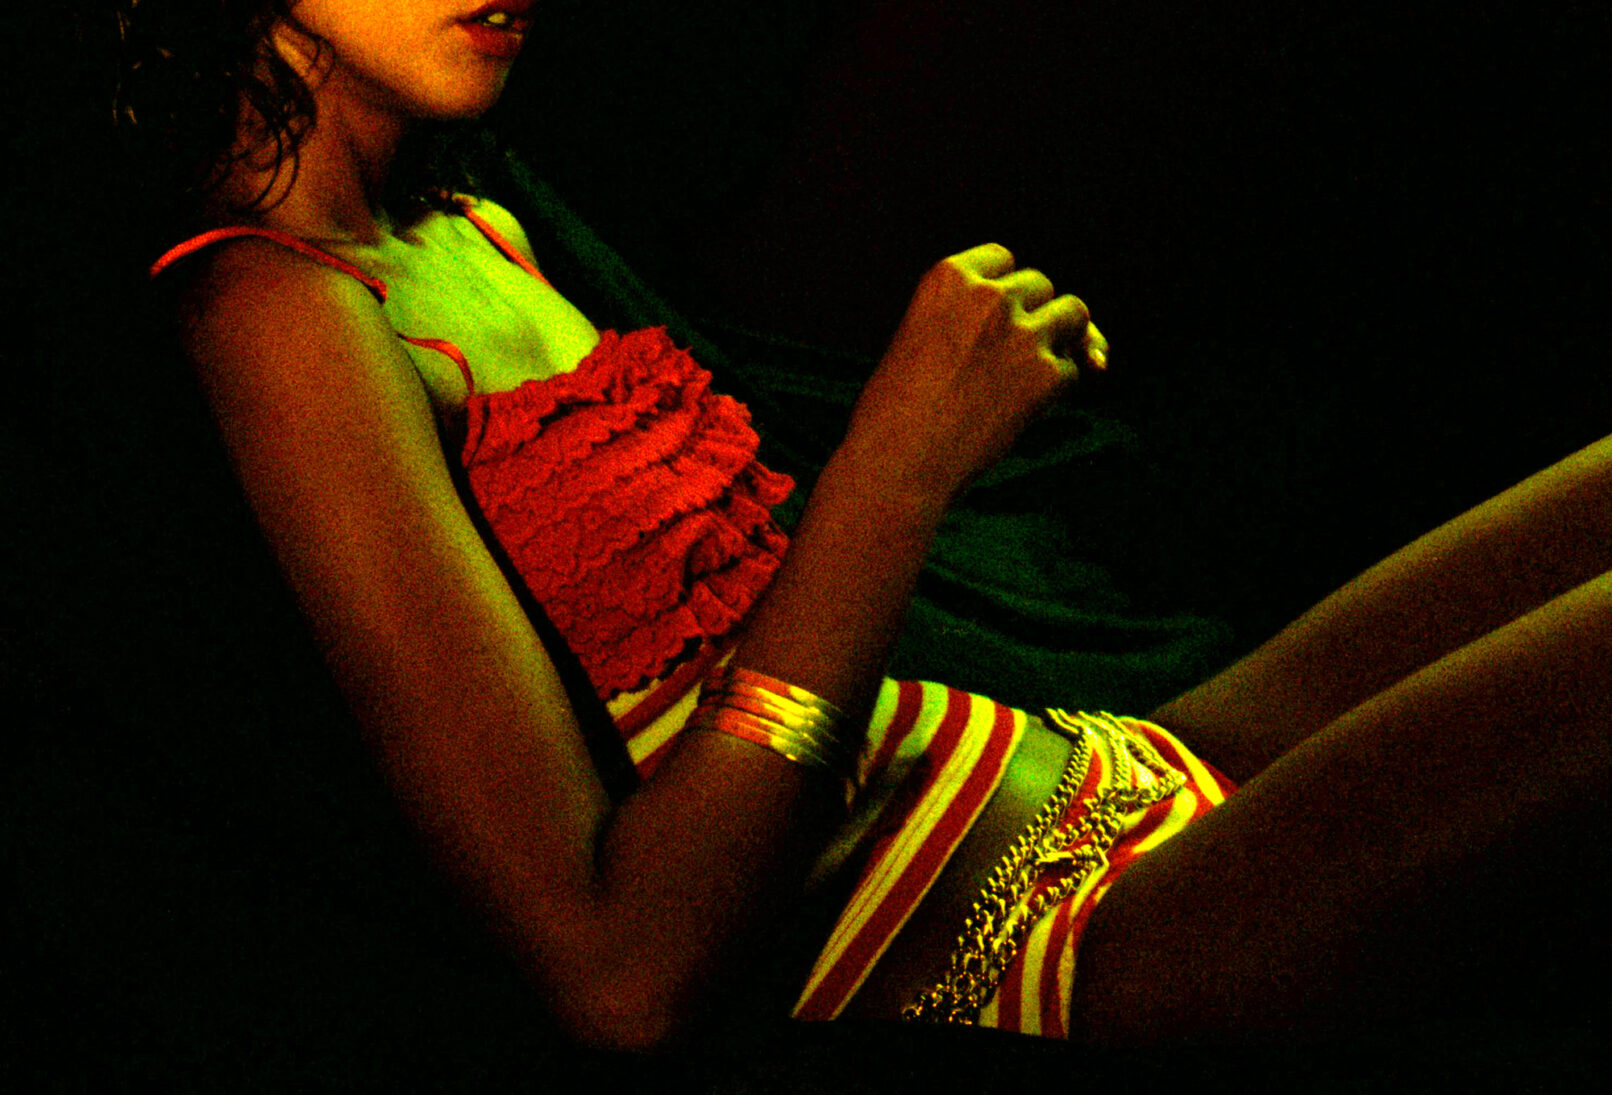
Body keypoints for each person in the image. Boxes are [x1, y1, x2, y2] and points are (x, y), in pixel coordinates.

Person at [120, 0, 1610, 1053]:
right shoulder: (278, 311)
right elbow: (617, 978)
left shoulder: (466, 216)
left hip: (1115, 770)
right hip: (1043, 957)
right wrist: (894, 471)